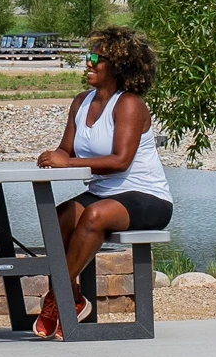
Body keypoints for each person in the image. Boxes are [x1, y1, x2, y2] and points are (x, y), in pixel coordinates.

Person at [34, 25, 172, 340]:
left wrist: (67, 163)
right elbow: (66, 150)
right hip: (104, 194)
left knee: (94, 215)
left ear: (118, 66)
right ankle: (73, 297)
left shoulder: (130, 104)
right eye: (89, 56)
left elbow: (120, 161)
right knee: (57, 218)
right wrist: (52, 156)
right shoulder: (81, 102)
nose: (89, 62)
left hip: (147, 198)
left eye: (97, 58)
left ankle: (56, 299)